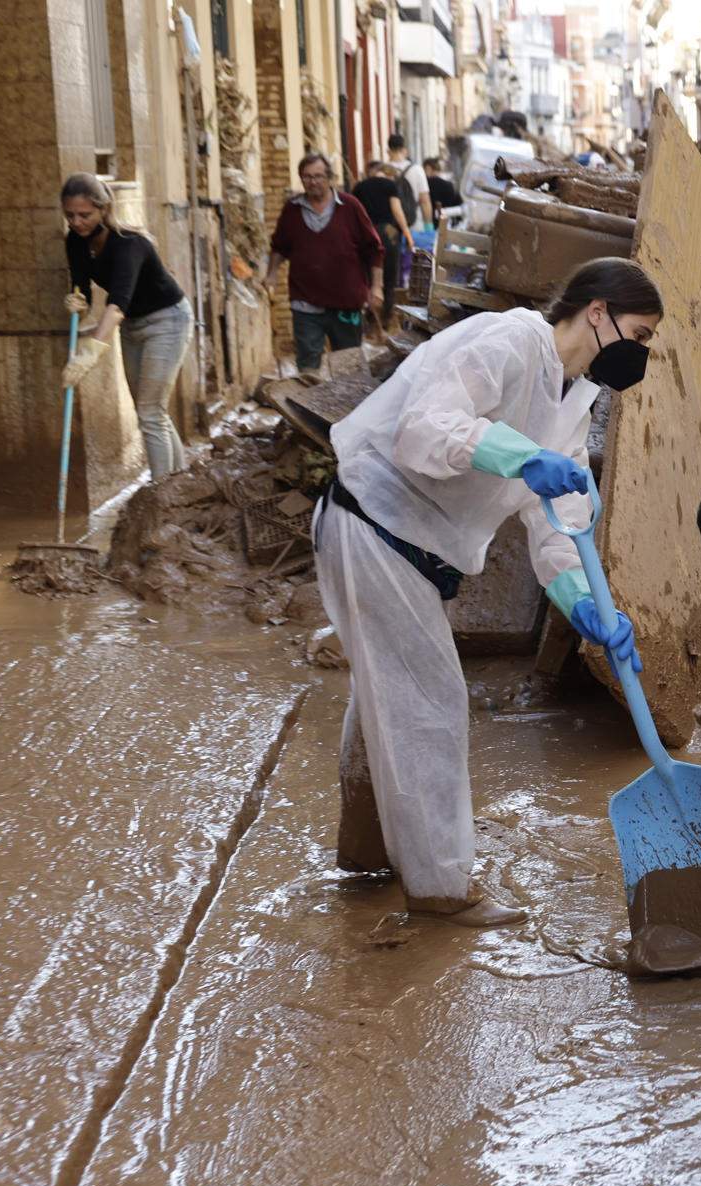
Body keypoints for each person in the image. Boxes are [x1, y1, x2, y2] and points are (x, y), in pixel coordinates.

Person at [316, 258, 662, 927]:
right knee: (428, 704)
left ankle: (366, 853)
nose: (641, 351)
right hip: (374, 522)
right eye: (640, 333)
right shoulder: (508, 343)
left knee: (388, 695)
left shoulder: (574, 394)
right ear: (598, 312)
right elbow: (424, 429)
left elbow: (552, 522)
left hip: (412, 545)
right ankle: (441, 889)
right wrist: (515, 454)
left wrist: (583, 603)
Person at [59, 173, 194, 480]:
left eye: (85, 215)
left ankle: (162, 494)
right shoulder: (76, 242)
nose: (77, 222)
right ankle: (180, 482)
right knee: (151, 411)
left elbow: (117, 303)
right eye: (70, 215)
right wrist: (77, 301)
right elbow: (84, 288)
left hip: (168, 320)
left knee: (149, 412)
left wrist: (92, 350)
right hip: (133, 325)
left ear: (103, 210)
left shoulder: (129, 245)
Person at [263, 154, 384, 374]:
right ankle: (310, 406)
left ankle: (348, 407)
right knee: (308, 364)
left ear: (329, 178)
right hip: (305, 302)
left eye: (318, 176)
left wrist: (376, 287)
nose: (313, 182)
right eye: (307, 177)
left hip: (346, 303)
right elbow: (279, 246)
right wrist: (271, 273)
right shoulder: (291, 210)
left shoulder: (350, 206)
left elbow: (374, 249)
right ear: (301, 179)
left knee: (347, 366)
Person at [352, 160, 414, 326]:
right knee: (389, 277)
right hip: (388, 233)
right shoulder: (390, 185)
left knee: (367, 275)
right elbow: (396, 210)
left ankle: (370, 319)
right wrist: (407, 233)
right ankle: (386, 318)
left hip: (366, 233)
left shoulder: (359, 187)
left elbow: (354, 213)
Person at [389, 132, 433, 229]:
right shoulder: (417, 169)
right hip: (415, 224)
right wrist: (429, 226)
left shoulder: (383, 171)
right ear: (404, 150)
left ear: (389, 150)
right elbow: (425, 201)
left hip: (391, 228)